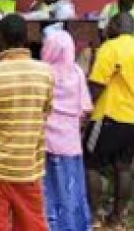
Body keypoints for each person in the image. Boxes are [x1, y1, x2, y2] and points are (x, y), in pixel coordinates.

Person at [0, 13, 52, 231]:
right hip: (29, 168)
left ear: (1, 39)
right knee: (33, 225)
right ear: (26, 38)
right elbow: (45, 112)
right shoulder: (45, 73)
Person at [84, 12, 134, 227]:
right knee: (123, 167)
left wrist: (84, 110)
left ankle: (94, 216)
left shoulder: (110, 48)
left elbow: (97, 85)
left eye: (109, 24)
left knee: (91, 164)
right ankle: (117, 218)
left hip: (110, 115)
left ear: (115, 26)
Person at [41, 30, 92, 230]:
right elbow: (85, 108)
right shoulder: (77, 72)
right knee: (70, 189)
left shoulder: (43, 73)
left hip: (45, 140)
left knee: (47, 189)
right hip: (70, 142)